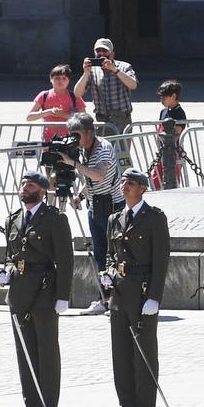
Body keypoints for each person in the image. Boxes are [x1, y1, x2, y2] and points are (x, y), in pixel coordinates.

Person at [0, 169, 71, 407]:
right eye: (22, 185)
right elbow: (11, 254)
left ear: (42, 192)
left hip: (44, 290)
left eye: (29, 186)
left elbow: (65, 259)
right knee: (25, 351)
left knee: (46, 351)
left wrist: (63, 295)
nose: (24, 189)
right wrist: (7, 270)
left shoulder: (54, 219)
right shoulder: (14, 219)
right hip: (19, 290)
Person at [102, 166, 172, 407]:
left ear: (143, 188)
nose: (125, 186)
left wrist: (155, 296)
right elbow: (111, 254)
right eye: (123, 182)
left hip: (142, 292)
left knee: (143, 353)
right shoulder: (115, 219)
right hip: (119, 293)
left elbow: (161, 259)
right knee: (120, 354)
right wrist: (108, 273)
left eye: (131, 183)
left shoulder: (154, 218)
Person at [65, 112, 119, 310]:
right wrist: (81, 195)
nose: (74, 138)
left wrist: (73, 164)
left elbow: (98, 175)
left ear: (90, 132)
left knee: (113, 254)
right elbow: (91, 180)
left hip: (112, 207)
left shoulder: (103, 148)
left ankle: (116, 298)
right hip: (95, 206)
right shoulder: (84, 149)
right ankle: (103, 298)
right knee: (99, 254)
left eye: (77, 134)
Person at [80, 37, 138, 130]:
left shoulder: (124, 67)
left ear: (112, 53)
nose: (101, 53)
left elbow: (133, 85)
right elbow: (78, 93)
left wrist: (114, 69)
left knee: (122, 145)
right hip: (102, 121)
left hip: (122, 120)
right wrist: (85, 73)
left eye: (105, 50)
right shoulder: (91, 71)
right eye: (98, 51)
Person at [27, 64, 87, 143]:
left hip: (70, 140)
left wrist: (63, 114)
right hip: (48, 140)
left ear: (69, 80)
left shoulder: (75, 96)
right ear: (51, 79)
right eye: (57, 78)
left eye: (64, 78)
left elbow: (85, 119)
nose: (60, 81)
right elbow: (29, 117)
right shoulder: (44, 95)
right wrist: (48, 112)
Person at [152, 81, 187, 188]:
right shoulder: (163, 111)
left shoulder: (179, 113)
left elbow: (175, 134)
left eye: (164, 97)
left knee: (173, 180)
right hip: (161, 151)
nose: (161, 100)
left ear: (174, 96)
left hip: (174, 152)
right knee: (156, 178)